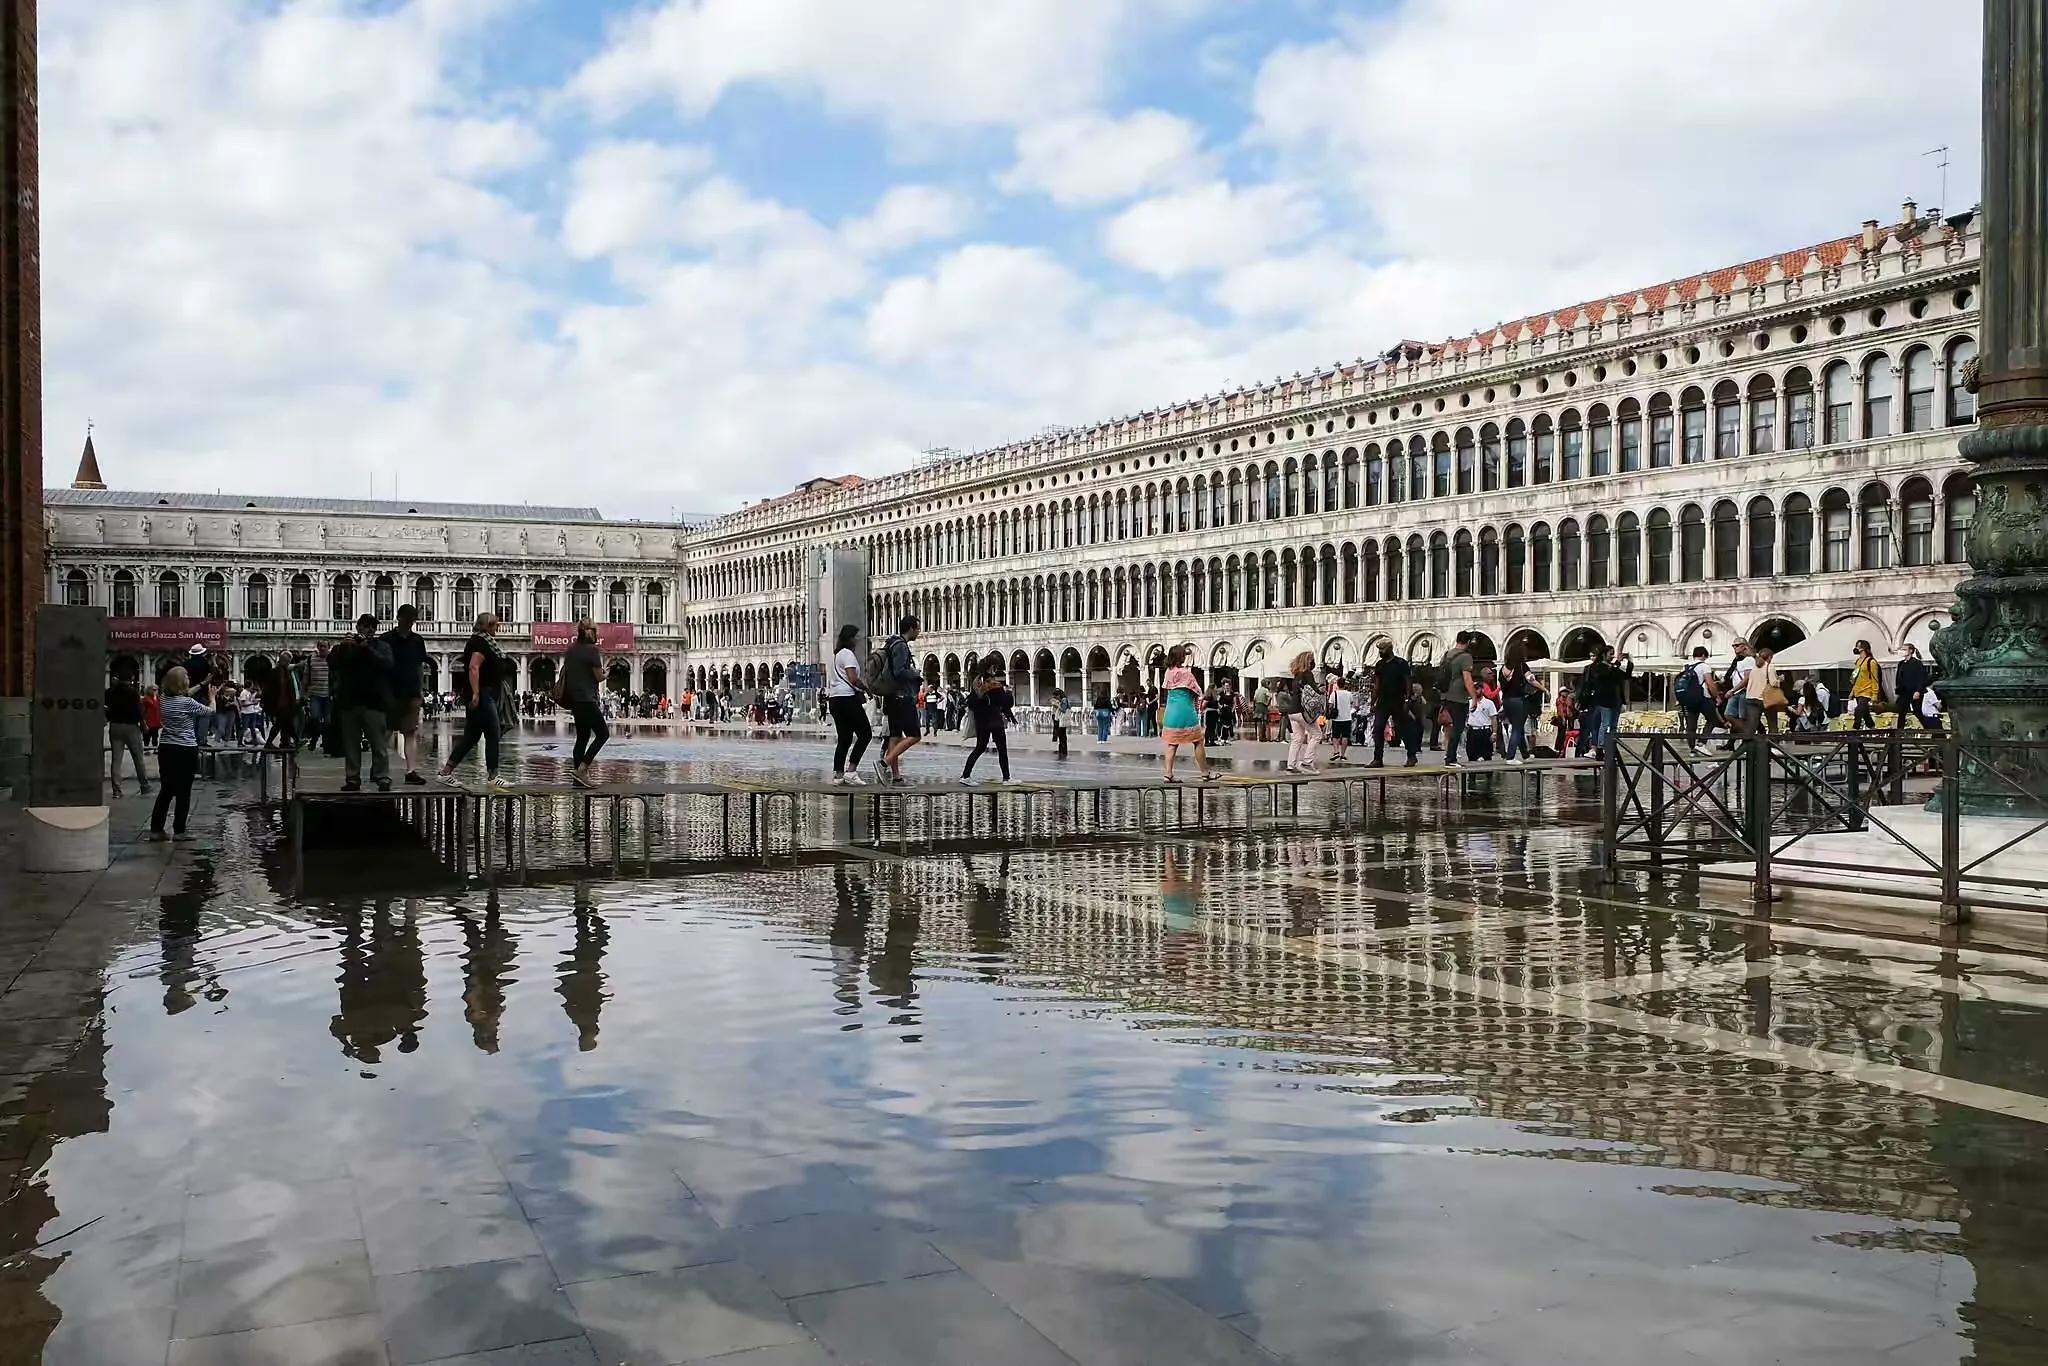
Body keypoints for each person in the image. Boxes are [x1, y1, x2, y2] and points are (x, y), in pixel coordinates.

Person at [440, 613, 510, 789]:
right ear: (485, 626)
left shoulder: (484, 642)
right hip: (483, 695)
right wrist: (476, 693)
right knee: (493, 733)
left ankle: (445, 772)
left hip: (485, 694)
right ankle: (493, 775)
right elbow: (473, 667)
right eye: (494, 625)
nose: (497, 628)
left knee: (471, 737)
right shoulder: (479, 642)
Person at [146, 666, 213, 842]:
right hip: (185, 749)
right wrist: (212, 698)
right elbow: (209, 712)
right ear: (181, 682)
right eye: (186, 677)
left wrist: (201, 684)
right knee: (184, 791)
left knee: (166, 789)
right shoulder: (187, 703)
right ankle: (180, 831)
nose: (189, 679)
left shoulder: (163, 699)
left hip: (166, 748)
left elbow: (184, 695)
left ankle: (156, 829)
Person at [330, 614, 394, 792]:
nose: (370, 630)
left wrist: (367, 649)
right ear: (358, 628)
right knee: (351, 744)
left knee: (379, 744)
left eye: (373, 626)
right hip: (350, 702)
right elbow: (333, 663)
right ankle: (352, 778)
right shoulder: (346, 647)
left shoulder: (382, 646)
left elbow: (387, 664)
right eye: (366, 626)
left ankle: (382, 776)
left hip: (374, 702)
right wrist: (344, 647)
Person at [381, 605, 430, 784]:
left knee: (409, 732)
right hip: (391, 693)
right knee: (386, 732)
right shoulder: (386, 639)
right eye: (407, 618)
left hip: (410, 692)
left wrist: (420, 692)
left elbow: (419, 667)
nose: (409, 622)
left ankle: (411, 771)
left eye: (412, 619)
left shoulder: (417, 640)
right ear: (398, 618)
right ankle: (379, 769)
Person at [876, 615, 924, 785]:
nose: (918, 632)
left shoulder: (892, 643)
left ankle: (896, 777)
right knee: (914, 735)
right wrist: (916, 674)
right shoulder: (901, 646)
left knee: (894, 737)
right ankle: (884, 763)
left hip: (892, 697)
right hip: (902, 697)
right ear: (910, 628)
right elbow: (899, 671)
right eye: (917, 628)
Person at [563, 618, 609, 787]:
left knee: (582, 737)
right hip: (587, 699)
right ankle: (582, 769)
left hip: (575, 699)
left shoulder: (571, 650)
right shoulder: (592, 651)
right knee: (603, 734)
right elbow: (598, 677)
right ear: (592, 633)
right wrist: (606, 674)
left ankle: (578, 778)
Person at [1158, 646, 1215, 783]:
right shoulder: (1186, 673)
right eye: (1183, 655)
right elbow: (1198, 691)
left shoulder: (1168, 672)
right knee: (1198, 741)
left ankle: (1168, 774)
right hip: (1185, 710)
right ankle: (1205, 773)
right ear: (1180, 657)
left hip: (1171, 711)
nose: (1185, 657)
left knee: (1172, 744)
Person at [824, 623, 871, 785]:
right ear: (850, 638)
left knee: (844, 737)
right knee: (865, 733)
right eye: (856, 636)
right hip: (847, 698)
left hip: (835, 700)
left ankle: (838, 774)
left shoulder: (836, 655)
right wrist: (865, 688)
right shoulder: (848, 655)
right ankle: (851, 770)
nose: (858, 639)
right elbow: (852, 678)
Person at [1574, 646, 1633, 757]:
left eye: (1613, 654)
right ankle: (1600, 748)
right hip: (1603, 700)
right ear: (1604, 655)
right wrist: (1617, 663)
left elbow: (1625, 676)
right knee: (1604, 724)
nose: (1612, 656)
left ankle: (1611, 747)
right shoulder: (1597, 667)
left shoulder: (1613, 667)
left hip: (1615, 700)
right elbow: (1604, 675)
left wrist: (1630, 662)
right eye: (1610, 654)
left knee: (1613, 725)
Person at [1369, 640, 1418, 767]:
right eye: (1379, 650)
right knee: (1378, 729)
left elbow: (1408, 681)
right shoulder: (1380, 665)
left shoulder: (1401, 664)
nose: (1380, 652)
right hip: (1383, 701)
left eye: (1383, 649)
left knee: (1403, 729)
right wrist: (1372, 702)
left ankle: (1411, 756)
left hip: (1398, 700)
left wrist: (1408, 699)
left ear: (1390, 649)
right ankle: (1377, 758)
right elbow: (1377, 685)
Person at [960, 671, 1015, 784]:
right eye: (991, 681)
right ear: (986, 681)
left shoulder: (976, 692)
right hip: (995, 723)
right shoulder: (996, 691)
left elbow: (971, 705)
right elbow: (1007, 703)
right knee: (1002, 750)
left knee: (979, 748)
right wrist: (1008, 692)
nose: (994, 682)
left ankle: (965, 776)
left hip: (982, 723)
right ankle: (1006, 778)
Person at [105, 669, 151, 799]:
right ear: (130, 679)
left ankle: (117, 790)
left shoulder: (110, 692)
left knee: (116, 759)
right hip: (131, 726)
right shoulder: (133, 692)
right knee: (138, 758)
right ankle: (144, 785)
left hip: (115, 726)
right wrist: (143, 725)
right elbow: (139, 711)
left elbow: (106, 708)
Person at [1440, 632, 1478, 766]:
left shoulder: (1446, 655)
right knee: (1458, 727)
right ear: (1467, 642)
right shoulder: (1465, 657)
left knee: (1450, 728)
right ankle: (1451, 759)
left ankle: (1448, 756)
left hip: (1445, 695)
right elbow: (1467, 679)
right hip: (1458, 697)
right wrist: (1474, 697)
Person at [1283, 652, 1323, 775]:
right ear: (1308, 662)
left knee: (1297, 738)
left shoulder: (1296, 675)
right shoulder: (1307, 674)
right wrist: (1321, 689)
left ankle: (1291, 766)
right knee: (1317, 734)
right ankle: (1307, 762)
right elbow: (1314, 690)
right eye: (1312, 661)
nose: (1313, 663)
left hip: (1291, 711)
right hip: (1302, 711)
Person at [1498, 642, 1536, 762]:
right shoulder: (1522, 666)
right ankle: (1510, 757)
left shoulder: (1502, 668)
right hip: (1518, 700)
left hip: (1506, 700)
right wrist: (1544, 689)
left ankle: (1525, 755)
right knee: (1517, 729)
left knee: (1516, 728)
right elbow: (1532, 680)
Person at [1740, 644, 1782, 736]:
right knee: (1772, 723)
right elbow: (1773, 683)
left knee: (1751, 724)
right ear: (1770, 657)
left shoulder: (1754, 667)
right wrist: (1780, 680)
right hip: (1764, 699)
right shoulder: (1769, 667)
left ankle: (1747, 745)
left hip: (1750, 697)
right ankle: (1773, 745)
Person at [1895, 643, 1935, 729]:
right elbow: (1899, 678)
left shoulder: (1916, 663)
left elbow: (1921, 678)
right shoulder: (1901, 664)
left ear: (1910, 651)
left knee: (1917, 712)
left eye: (1904, 649)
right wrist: (1898, 689)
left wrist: (1918, 691)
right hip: (1904, 692)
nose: (1902, 651)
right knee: (1901, 713)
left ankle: (1931, 729)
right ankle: (1899, 735)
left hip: (1914, 692)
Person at [1850, 639, 1882, 730]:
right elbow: (1856, 678)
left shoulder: (1871, 662)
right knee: (1865, 714)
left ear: (1863, 648)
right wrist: (1852, 692)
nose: (1856, 648)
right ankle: (1872, 728)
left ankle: (1854, 729)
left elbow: (1875, 679)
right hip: (1858, 691)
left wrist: (1875, 694)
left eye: (1858, 646)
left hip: (1866, 691)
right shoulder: (1858, 661)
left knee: (1858, 711)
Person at [1464, 686, 1499, 762]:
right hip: (1472, 731)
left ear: (1482, 689)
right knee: (1471, 755)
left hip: (1485, 731)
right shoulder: (1469, 703)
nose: (1475, 691)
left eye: (1477, 688)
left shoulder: (1489, 703)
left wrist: (1494, 733)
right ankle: (1472, 773)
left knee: (1487, 756)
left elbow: (1493, 718)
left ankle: (1488, 773)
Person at [1327, 669, 1354, 765]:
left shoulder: (1333, 694)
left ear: (1337, 684)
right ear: (1345, 684)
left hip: (1337, 718)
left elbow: (1330, 705)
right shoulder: (1349, 694)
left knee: (1335, 736)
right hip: (1347, 717)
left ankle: (1336, 752)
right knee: (1345, 737)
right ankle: (1343, 754)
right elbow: (1352, 703)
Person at [141, 684, 162, 753]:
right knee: (147, 737)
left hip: (155, 722)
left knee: (155, 736)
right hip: (148, 721)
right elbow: (143, 711)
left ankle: (155, 748)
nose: (155, 691)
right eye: (154, 690)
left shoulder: (158, 699)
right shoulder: (146, 699)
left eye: (156, 690)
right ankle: (146, 749)